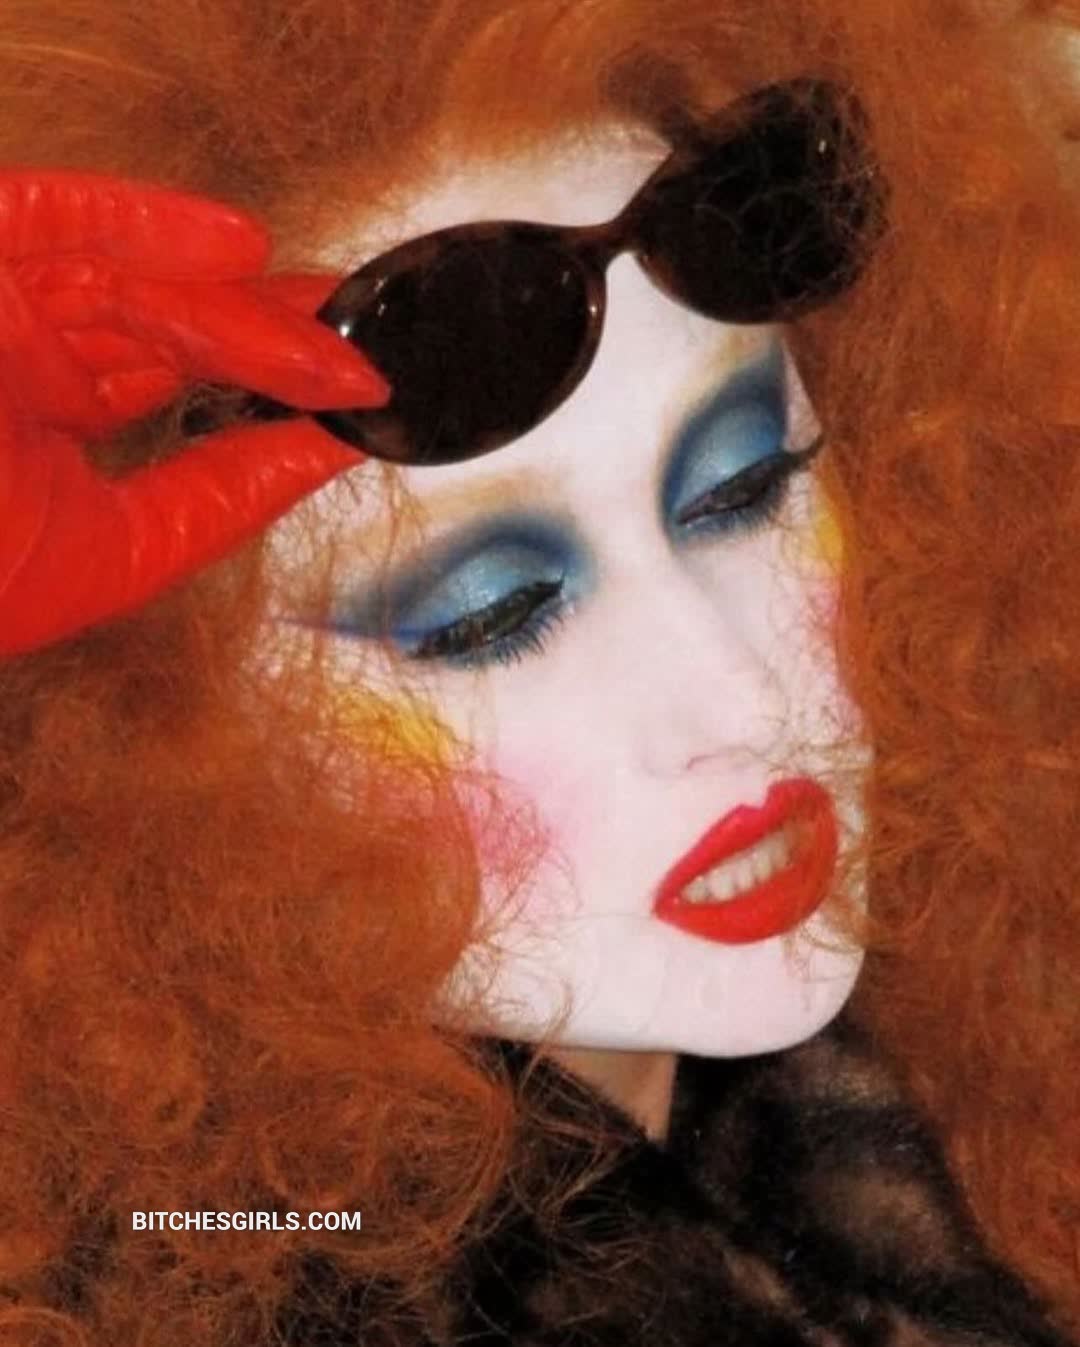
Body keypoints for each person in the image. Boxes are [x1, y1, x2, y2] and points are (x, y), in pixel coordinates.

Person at [0, 1, 1077, 1344]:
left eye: (746, 489)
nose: (745, 702)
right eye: (488, 619)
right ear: (129, 747)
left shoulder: (929, 1084)